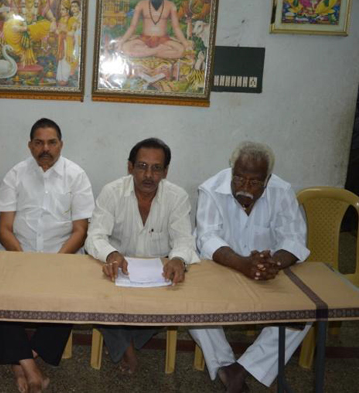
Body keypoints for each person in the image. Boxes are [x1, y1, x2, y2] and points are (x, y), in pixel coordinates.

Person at [190, 141, 311, 393]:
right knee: (193, 305)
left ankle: (243, 368)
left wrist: (273, 264)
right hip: (221, 268)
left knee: (306, 311)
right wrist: (243, 264)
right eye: (238, 179)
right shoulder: (211, 189)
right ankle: (224, 363)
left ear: (267, 179)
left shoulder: (282, 191)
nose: (245, 187)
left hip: (267, 273)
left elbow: (294, 239)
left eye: (254, 182)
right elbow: (207, 238)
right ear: (231, 171)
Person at [0, 118, 94, 392]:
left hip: (62, 257)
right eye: (39, 143)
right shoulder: (15, 174)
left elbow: (80, 231)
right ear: (30, 146)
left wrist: (55, 262)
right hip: (19, 254)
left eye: (51, 142)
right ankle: (31, 369)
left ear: (61, 145)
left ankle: (21, 362)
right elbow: (5, 229)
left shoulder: (76, 176)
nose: (45, 148)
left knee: (70, 298)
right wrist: (24, 259)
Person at [85, 137, 199, 373]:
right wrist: (111, 254)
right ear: (130, 167)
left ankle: (122, 340)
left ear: (165, 171)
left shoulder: (177, 197)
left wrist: (178, 259)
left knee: (174, 302)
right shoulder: (112, 192)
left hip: (158, 275)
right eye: (142, 166)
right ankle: (126, 346)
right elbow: (94, 236)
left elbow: (184, 239)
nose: (149, 175)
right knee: (95, 297)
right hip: (118, 270)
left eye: (156, 168)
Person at [116, 0, 192, 59]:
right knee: (125, 48)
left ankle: (147, 52)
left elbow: (176, 27)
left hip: (164, 40)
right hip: (144, 39)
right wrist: (122, 41)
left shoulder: (170, 5)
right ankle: (158, 51)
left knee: (181, 50)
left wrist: (185, 43)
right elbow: (133, 26)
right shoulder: (141, 4)